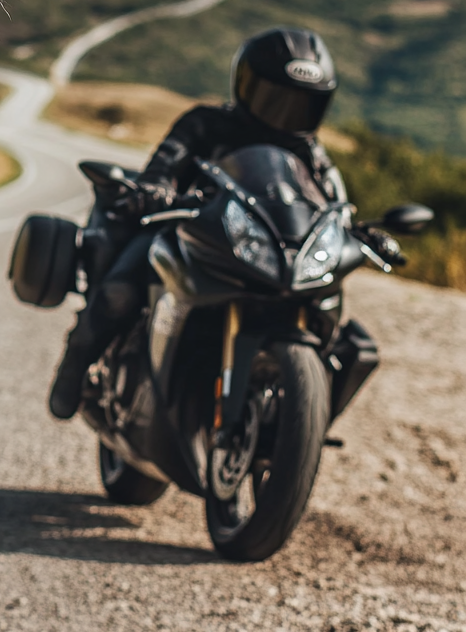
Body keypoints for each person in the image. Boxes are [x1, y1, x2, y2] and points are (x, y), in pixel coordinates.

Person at [48, 26, 346, 420]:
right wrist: (156, 187)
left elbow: (333, 201)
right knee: (119, 292)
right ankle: (74, 367)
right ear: (246, 86)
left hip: (261, 249)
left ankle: (294, 416)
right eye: (274, 98)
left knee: (342, 327)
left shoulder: (310, 153)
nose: (285, 113)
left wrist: (353, 226)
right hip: (186, 233)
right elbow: (168, 160)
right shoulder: (207, 123)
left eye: (300, 104)